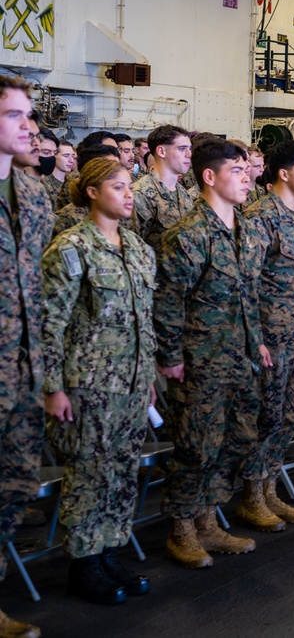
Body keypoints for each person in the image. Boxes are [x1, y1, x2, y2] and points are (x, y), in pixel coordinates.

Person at [42, 158, 156, 605]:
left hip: (130, 384)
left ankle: (109, 551)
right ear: (91, 192)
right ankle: (84, 563)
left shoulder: (138, 249)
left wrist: (145, 376)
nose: (128, 194)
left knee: (122, 472)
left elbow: (142, 320)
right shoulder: (71, 248)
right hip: (87, 384)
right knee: (90, 474)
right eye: (117, 186)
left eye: (130, 186)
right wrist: (52, 387)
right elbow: (51, 323)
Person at [155, 137, 267, 568]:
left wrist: (255, 339)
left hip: (239, 357)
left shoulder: (247, 229)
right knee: (196, 446)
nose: (246, 178)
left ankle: (209, 519)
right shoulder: (188, 234)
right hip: (200, 361)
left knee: (237, 439)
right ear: (210, 176)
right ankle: (182, 526)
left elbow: (250, 296)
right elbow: (168, 302)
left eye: (246, 170)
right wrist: (170, 358)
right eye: (236, 172)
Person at [239, 140, 294, 527]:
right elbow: (247, 284)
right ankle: (252, 495)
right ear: (284, 173)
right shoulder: (261, 217)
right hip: (271, 339)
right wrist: (255, 338)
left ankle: (271, 488)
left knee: (291, 415)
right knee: (267, 418)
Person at [0, 75, 52, 638]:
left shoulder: (33, 193)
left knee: (13, 491)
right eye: (15, 115)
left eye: (28, 117)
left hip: (23, 369)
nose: (28, 127)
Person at [132, 124, 196, 252]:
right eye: (182, 149)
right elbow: (132, 250)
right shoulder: (140, 195)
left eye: (189, 148)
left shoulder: (182, 193)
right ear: (162, 151)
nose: (189, 154)